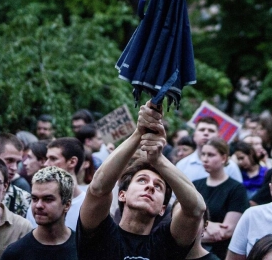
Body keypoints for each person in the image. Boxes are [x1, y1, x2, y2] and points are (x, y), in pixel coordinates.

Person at [77, 102, 205, 259]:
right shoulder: (99, 233)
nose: (150, 186)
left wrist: (158, 159)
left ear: (163, 208)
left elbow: (196, 209)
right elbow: (98, 188)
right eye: (142, 180)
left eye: (158, 186)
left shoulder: (166, 244)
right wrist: (139, 132)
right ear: (122, 195)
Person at [0, 166, 78, 259]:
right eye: (35, 198)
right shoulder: (15, 253)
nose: (38, 205)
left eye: (48, 199)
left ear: (67, 205)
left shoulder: (83, 248)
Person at [194, 138, 250, 259]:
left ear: (224, 158)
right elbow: (185, 221)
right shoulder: (195, 185)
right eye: (203, 154)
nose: (205, 159)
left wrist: (194, 231)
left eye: (211, 155)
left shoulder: (236, 189)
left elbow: (225, 231)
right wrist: (209, 225)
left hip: (220, 253)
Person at [25, 137, 87, 230]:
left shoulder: (88, 205)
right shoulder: (37, 204)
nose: (46, 164)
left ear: (72, 162)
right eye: (47, 158)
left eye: (53, 159)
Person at [176, 116, 243, 183]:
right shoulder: (182, 165)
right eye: (202, 130)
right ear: (194, 135)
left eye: (211, 131)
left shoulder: (230, 167)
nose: (206, 133)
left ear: (218, 136)